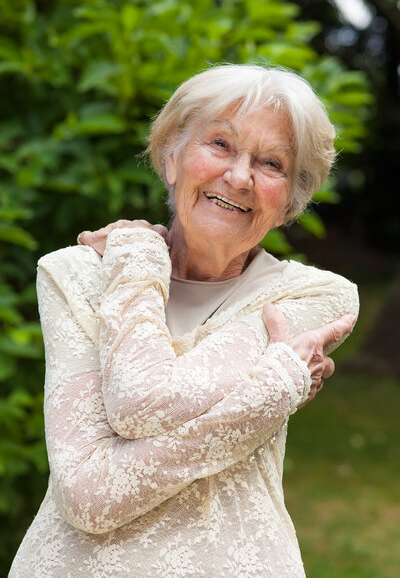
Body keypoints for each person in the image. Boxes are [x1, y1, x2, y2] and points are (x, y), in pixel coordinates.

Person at [9, 64, 358, 578]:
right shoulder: (75, 275)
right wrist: (276, 384)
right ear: (172, 157)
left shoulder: (316, 297)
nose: (239, 177)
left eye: (271, 164)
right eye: (220, 144)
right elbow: (88, 494)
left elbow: (139, 405)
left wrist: (135, 258)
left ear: (288, 203)